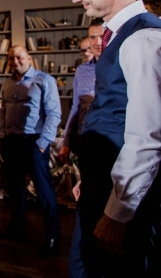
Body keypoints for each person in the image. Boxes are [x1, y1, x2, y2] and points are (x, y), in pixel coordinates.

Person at [62, 0, 161, 277]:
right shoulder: (118, 35)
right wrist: (93, 179)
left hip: (124, 206)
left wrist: (119, 211)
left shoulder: (142, 40)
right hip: (103, 186)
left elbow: (148, 136)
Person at [0, 45, 62, 256]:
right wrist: (3, 134)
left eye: (19, 57)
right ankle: (17, 229)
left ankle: (52, 238)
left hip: (34, 141)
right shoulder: (7, 83)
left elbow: (54, 114)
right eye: (11, 58)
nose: (15, 61)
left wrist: (43, 143)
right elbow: (4, 110)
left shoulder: (45, 80)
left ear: (29, 58)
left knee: (44, 191)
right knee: (15, 189)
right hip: (12, 141)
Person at [57, 20, 103, 278]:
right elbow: (75, 107)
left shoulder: (122, 65)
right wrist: (66, 142)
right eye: (91, 38)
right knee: (85, 208)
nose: (96, 43)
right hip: (86, 143)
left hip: (111, 145)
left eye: (100, 36)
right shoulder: (83, 71)